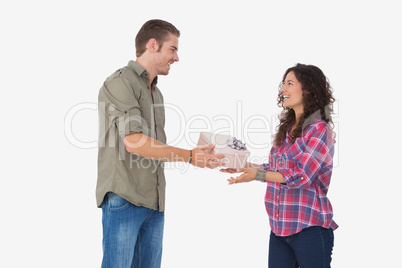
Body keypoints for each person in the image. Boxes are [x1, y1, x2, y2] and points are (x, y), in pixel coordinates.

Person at [97, 19, 223, 268]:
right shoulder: (121, 83)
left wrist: (195, 155)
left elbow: (152, 146)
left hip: (154, 202)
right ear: (153, 45)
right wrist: (188, 156)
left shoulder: (156, 92)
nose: (176, 58)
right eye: (172, 49)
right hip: (125, 198)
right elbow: (134, 142)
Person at [221, 63, 338, 267]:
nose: (282, 89)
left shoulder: (319, 130)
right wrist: (243, 165)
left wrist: (257, 175)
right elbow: (277, 169)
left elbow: (302, 175)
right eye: (283, 84)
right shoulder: (287, 130)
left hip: (309, 228)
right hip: (279, 229)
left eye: (290, 83)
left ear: (308, 89)